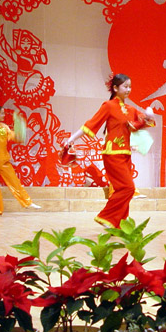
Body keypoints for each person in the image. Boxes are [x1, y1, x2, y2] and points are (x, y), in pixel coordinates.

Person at [65, 73, 154, 229]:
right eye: (125, 86)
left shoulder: (130, 109)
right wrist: (72, 138)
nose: (128, 90)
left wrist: (147, 116)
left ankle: (119, 224)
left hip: (125, 154)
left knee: (123, 189)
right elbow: (91, 124)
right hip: (112, 154)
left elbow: (137, 125)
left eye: (130, 87)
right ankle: (106, 217)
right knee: (128, 188)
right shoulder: (108, 106)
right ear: (115, 88)